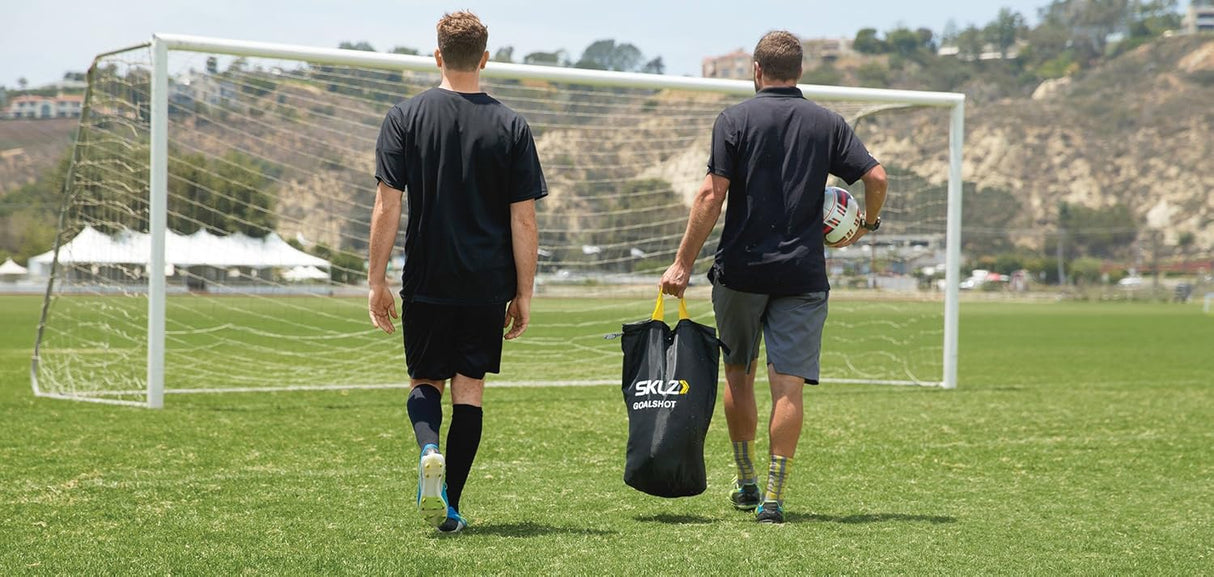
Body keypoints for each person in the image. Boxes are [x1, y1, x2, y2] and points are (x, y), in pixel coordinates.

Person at [659, 30, 888, 524]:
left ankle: (745, 482)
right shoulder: (828, 123)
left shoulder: (734, 119)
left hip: (740, 272)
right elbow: (876, 177)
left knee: (737, 376)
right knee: (789, 387)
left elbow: (709, 197)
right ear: (800, 72)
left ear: (756, 72)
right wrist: (866, 226)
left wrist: (680, 264)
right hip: (803, 277)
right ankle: (774, 499)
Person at [367, 11, 547, 534]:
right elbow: (524, 218)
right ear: (485, 58)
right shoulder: (512, 125)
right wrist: (525, 293)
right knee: (470, 390)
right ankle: (450, 505)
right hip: (487, 283)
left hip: (428, 276)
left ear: (437, 55)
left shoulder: (405, 115)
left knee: (426, 381)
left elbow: (387, 205)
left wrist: (376, 281)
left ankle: (429, 448)